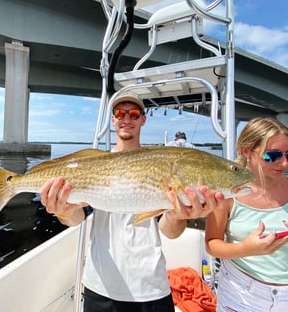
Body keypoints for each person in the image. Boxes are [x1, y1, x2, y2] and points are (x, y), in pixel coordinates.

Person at [40, 92, 225, 312]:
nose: (126, 118)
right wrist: (60, 210)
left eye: (134, 113)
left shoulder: (160, 163)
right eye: (120, 113)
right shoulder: (95, 164)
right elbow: (76, 217)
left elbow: (170, 232)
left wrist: (177, 215)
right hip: (99, 287)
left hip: (151, 288)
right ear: (113, 119)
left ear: (143, 119)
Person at [205, 117, 288, 312]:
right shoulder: (227, 193)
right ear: (246, 152)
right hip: (242, 295)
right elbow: (211, 244)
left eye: (287, 154)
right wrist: (247, 248)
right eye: (272, 155)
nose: (283, 164)